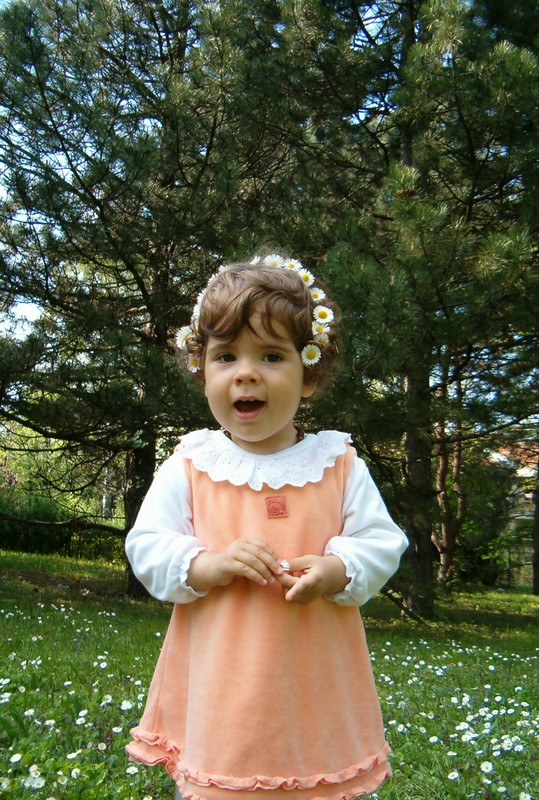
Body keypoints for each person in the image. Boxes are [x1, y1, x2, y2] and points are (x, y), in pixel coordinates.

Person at [124, 253, 409, 800]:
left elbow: (381, 541)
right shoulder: (192, 463)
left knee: (314, 780)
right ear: (203, 371)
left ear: (310, 375)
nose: (246, 372)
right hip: (222, 684)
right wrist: (206, 564)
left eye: (272, 355)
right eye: (226, 356)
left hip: (313, 679)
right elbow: (148, 544)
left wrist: (338, 568)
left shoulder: (338, 464)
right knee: (220, 781)